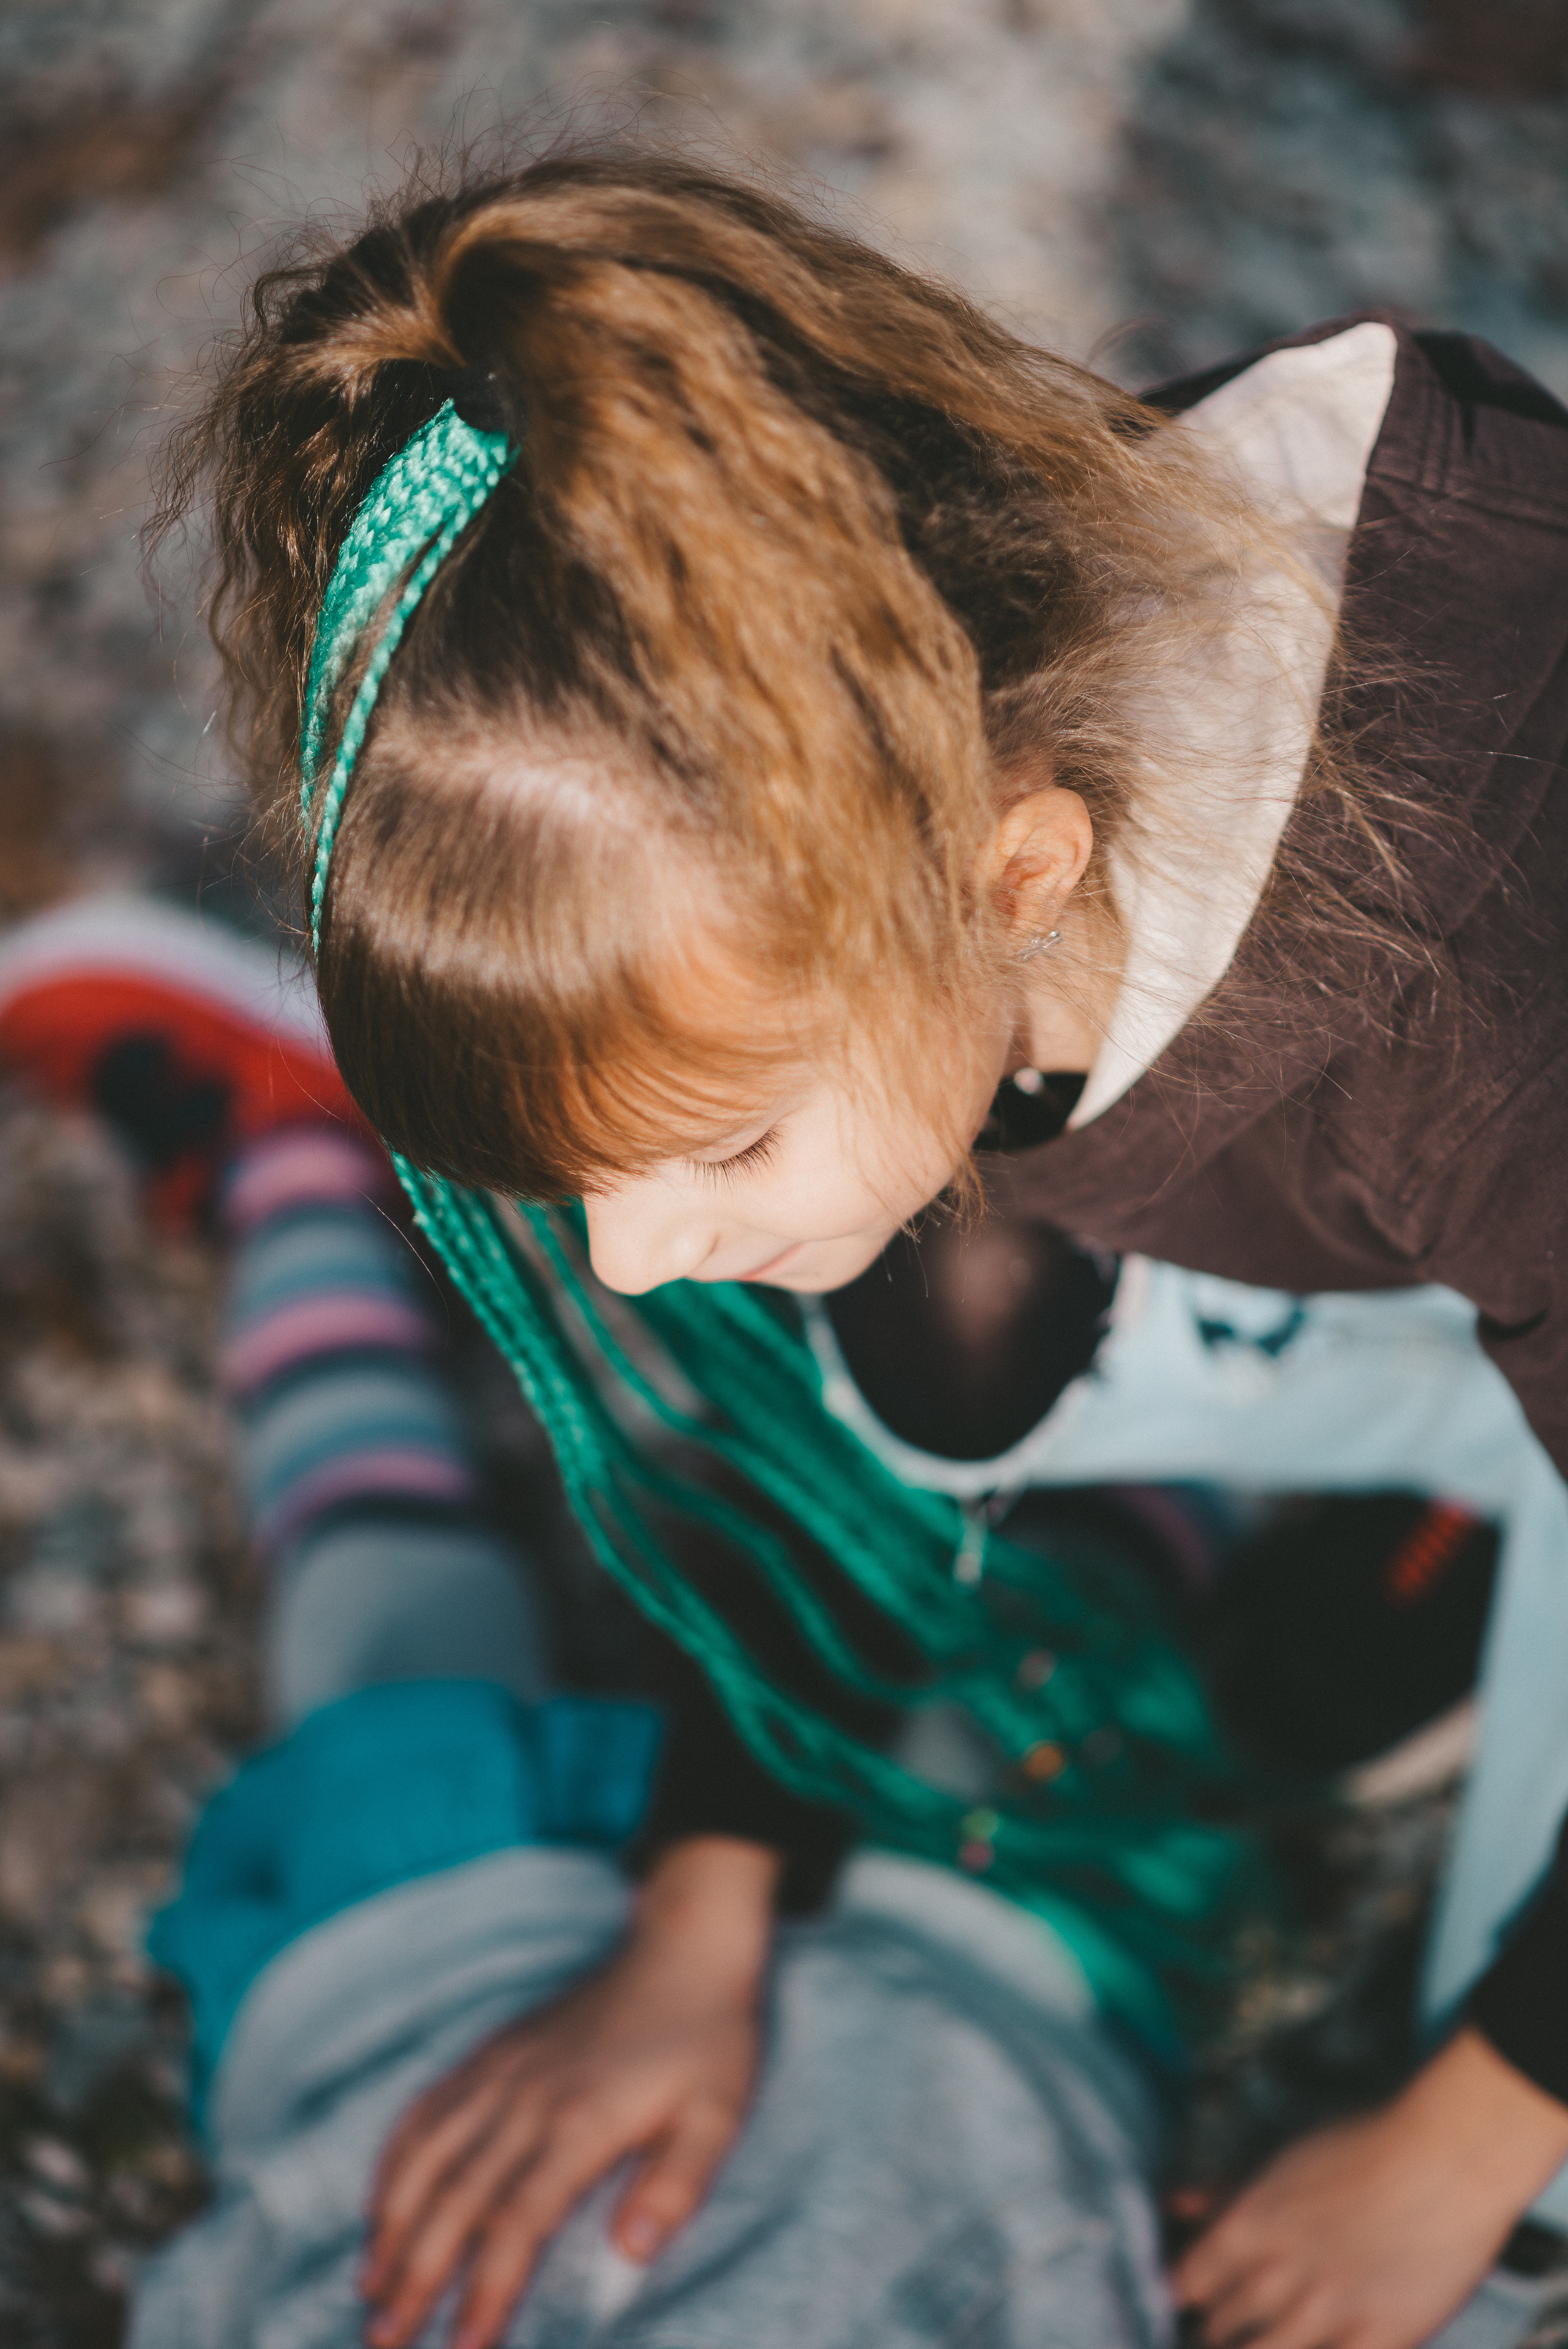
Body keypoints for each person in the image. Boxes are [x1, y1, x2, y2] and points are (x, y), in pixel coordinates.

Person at [149, 143, 1568, 2349]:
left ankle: (1466, 1525)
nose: (630, 1266)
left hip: (1497, 1179)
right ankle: (1423, 1508)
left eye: (714, 1137)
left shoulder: (1488, 1011)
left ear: (1018, 872)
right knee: (936, 1357)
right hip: (1419, 1235)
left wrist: (1462, 2140)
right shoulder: (906, 708)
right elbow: (864, 1392)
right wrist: (710, 1910)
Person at [1, 897, 1561, 2349]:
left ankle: (293, 1169)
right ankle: (1293, 1516)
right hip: (964, 2034)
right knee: (1056, 1640)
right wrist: (1460, 2155)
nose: (631, 1245)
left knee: (390, 1651)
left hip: (427, 2037)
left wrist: (702, 1906)